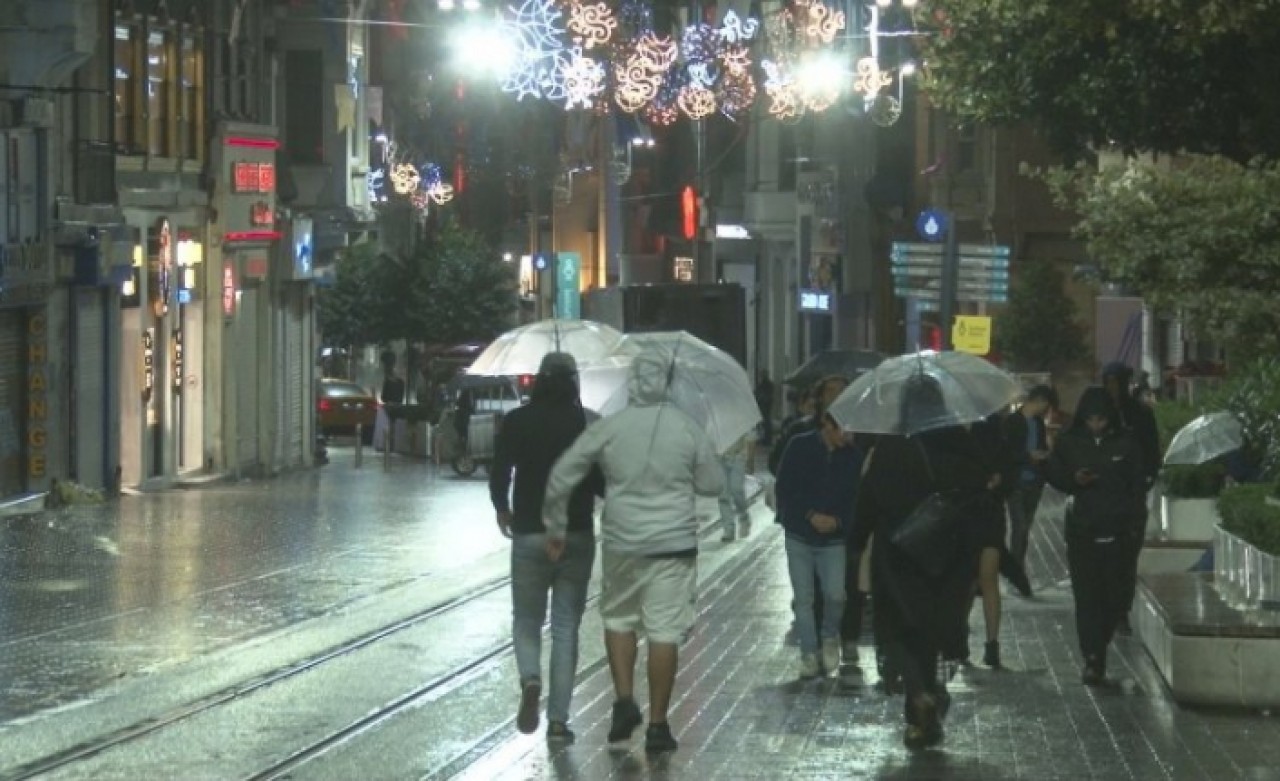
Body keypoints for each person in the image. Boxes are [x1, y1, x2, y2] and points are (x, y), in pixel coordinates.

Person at [543, 352, 724, 754]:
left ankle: (624, 701)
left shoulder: (611, 427)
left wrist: (555, 524)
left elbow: (562, 474)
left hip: (623, 544)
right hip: (673, 546)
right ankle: (659, 726)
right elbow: (713, 484)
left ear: (632, 384)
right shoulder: (687, 428)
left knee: (619, 619)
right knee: (664, 631)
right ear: (667, 384)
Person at [851, 375, 996, 749]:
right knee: (930, 634)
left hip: (898, 554)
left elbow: (869, 501)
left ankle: (919, 697)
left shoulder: (892, 447)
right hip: (947, 556)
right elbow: (982, 491)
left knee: (895, 629)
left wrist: (855, 541)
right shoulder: (959, 442)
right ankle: (923, 720)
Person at [488, 353, 602, 744]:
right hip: (576, 534)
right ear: (573, 381)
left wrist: (502, 507)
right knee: (567, 627)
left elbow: (499, 468)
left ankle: (530, 679)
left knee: (526, 620)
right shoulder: (586, 423)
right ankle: (558, 722)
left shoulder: (518, 420)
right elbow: (603, 480)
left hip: (530, 532)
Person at [1045, 386, 1147, 685]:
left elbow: (1137, 485)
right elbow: (1055, 474)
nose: (1096, 426)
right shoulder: (1069, 442)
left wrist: (1135, 523)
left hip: (1119, 530)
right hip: (1083, 529)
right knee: (1087, 595)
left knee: (1116, 596)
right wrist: (1073, 480)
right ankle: (1092, 657)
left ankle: (1100, 639)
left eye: (1101, 420)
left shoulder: (1127, 444)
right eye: (1090, 420)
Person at [775, 410, 863, 678]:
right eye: (843, 430)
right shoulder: (800, 446)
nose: (848, 436)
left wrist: (837, 521)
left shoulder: (852, 456)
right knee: (804, 598)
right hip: (800, 534)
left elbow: (856, 498)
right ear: (827, 424)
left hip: (833, 538)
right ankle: (809, 654)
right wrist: (810, 515)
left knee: (836, 595)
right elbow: (785, 486)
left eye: (852, 431)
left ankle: (829, 635)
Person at [1101, 362, 1159, 633]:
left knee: (1126, 555)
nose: (1113, 388)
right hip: (1102, 495)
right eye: (1108, 382)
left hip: (1131, 496)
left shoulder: (1140, 415)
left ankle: (1121, 609)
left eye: (1117, 382)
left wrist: (1144, 480)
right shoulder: (1098, 413)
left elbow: (1152, 452)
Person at [1003, 385, 1057, 569]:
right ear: (1039, 400)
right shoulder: (1012, 422)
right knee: (1020, 526)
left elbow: (1041, 446)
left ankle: (1018, 564)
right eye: (1046, 405)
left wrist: (1044, 454)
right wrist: (1029, 456)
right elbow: (1008, 453)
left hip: (1035, 481)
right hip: (1016, 481)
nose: (1045, 410)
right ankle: (1016, 568)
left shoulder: (1039, 423)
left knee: (1026, 526)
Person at [718, 434, 753, 542]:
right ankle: (728, 530)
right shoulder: (712, 420)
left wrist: (750, 459)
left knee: (737, 489)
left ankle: (744, 517)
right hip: (719, 459)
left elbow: (751, 438)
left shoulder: (739, 419)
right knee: (723, 494)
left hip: (738, 456)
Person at [755, 371, 776, 446]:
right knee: (764, 424)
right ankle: (765, 439)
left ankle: (766, 439)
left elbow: (765, 396)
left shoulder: (766, 385)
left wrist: (760, 399)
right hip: (764, 407)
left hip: (764, 407)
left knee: (766, 423)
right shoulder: (764, 385)